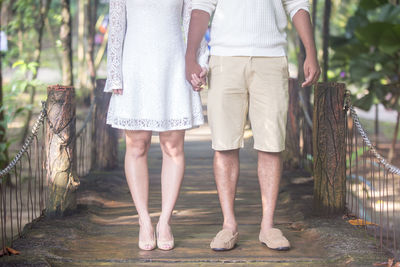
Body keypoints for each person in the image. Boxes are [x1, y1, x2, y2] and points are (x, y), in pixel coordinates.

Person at [185, 0, 320, 251]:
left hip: (271, 58)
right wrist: (190, 56)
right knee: (224, 145)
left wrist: (311, 52)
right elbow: (201, 7)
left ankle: (268, 226)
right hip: (224, 59)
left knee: (271, 145)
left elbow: (298, 5)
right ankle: (228, 226)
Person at [105, 0, 208, 251]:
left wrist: (200, 61)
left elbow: (193, 20)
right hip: (135, 68)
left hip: (172, 66)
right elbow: (116, 28)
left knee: (173, 147)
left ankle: (164, 221)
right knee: (137, 145)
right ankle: (144, 221)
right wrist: (115, 72)